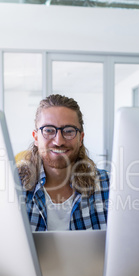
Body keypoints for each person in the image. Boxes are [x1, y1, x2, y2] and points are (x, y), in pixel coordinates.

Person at [17, 94, 109, 231]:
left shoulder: (109, 185)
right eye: (48, 130)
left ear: (81, 138)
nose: (58, 141)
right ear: (36, 137)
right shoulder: (13, 185)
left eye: (69, 131)